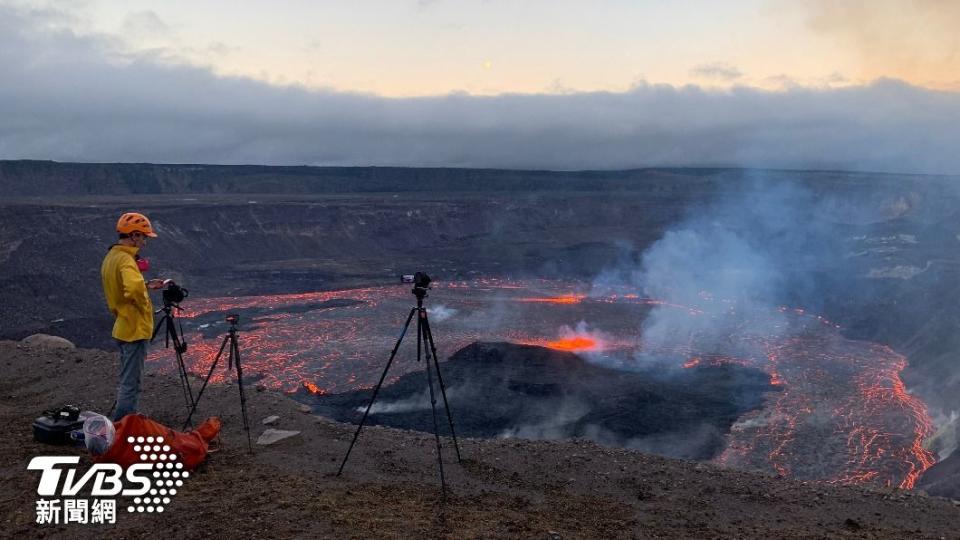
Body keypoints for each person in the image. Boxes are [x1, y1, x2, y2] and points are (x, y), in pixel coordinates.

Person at [100, 212, 165, 420]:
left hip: (122, 326)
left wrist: (145, 285)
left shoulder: (112, 257)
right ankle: (123, 427)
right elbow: (133, 291)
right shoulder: (127, 261)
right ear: (134, 235)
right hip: (134, 329)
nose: (145, 242)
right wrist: (144, 300)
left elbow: (123, 289)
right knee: (132, 383)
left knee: (128, 379)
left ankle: (124, 422)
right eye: (144, 237)